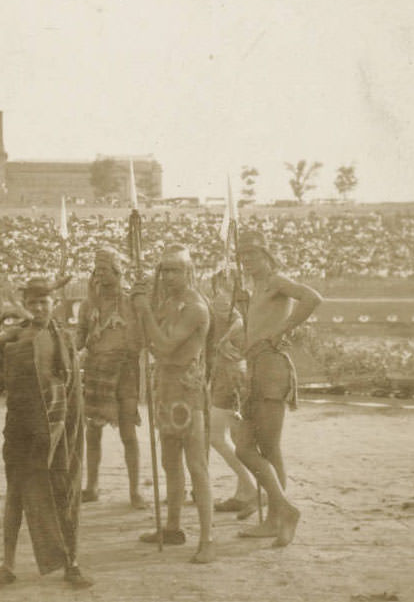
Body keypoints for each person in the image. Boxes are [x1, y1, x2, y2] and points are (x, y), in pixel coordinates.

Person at [0, 277, 92, 590]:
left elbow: (71, 390)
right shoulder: (16, 334)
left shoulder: (63, 338)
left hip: (57, 429)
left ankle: (72, 563)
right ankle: (8, 564)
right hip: (21, 427)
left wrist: (67, 429)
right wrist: (3, 316)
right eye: (33, 304)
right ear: (26, 307)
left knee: (64, 491)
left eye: (45, 302)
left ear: (53, 304)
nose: (40, 308)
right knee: (15, 494)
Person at [233, 229, 322, 546]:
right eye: (243, 256)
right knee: (244, 446)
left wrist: (282, 329)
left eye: (253, 255)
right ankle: (282, 510)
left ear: (266, 255)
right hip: (253, 367)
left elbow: (312, 297)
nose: (247, 261)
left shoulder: (276, 281)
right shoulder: (256, 287)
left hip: (271, 365)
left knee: (269, 448)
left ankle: (276, 518)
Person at [131, 244, 215, 564]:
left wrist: (144, 312)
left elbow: (164, 344)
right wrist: (140, 306)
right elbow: (146, 342)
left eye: (175, 270)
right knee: (169, 462)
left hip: (187, 390)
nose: (167, 276)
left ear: (189, 271)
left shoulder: (196, 307)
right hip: (165, 388)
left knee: (196, 466)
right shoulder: (167, 302)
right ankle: (173, 527)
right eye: (164, 269)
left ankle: (208, 538)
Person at [77, 247, 146, 508]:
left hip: (125, 372)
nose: (100, 275)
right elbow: (80, 338)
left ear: (118, 272)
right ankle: (91, 486)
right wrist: (75, 351)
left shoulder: (130, 302)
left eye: (105, 270)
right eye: (97, 270)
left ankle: (135, 490)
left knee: (128, 433)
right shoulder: (88, 305)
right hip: (96, 370)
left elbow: (141, 336)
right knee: (93, 431)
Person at [208, 290, 258, 519]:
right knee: (236, 438)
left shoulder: (221, 298)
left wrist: (225, 338)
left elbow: (237, 319)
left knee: (217, 435)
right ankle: (244, 492)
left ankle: (251, 488)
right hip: (227, 371)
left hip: (230, 373)